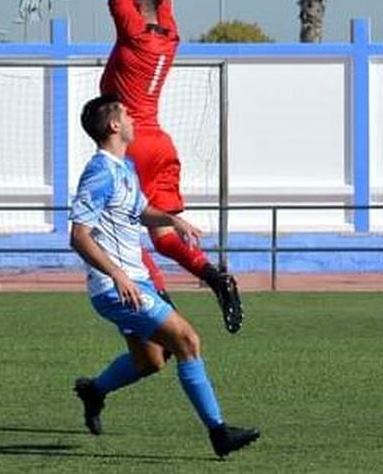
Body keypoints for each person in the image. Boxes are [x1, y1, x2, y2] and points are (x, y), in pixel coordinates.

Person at [70, 94, 259, 458]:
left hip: (132, 281)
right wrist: (118, 276)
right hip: (117, 287)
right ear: (113, 126)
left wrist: (171, 219)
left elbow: (140, 210)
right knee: (187, 340)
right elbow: (78, 235)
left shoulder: (124, 169)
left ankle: (94, 390)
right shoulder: (99, 172)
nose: (132, 118)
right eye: (126, 114)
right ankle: (219, 433)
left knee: (150, 361)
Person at [100, 0, 243, 333]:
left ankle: (158, 299)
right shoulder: (169, 33)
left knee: (117, 229)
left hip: (132, 143)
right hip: (162, 143)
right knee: (163, 234)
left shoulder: (135, 33)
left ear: (135, 7)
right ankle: (215, 276)